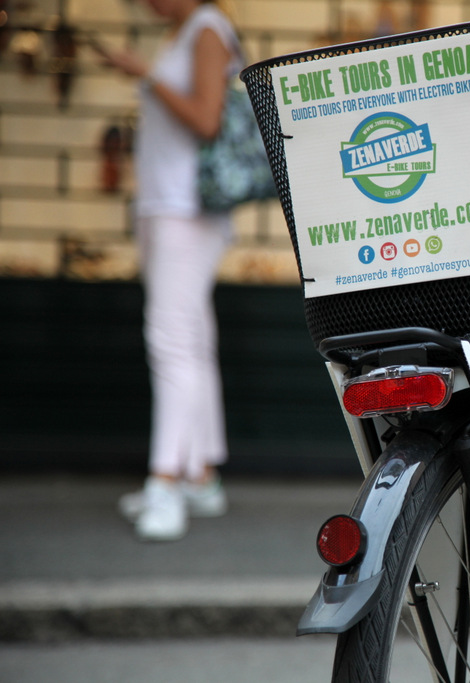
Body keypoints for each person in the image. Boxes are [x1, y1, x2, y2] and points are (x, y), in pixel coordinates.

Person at [103, 0, 241, 541]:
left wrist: (145, 76)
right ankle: (199, 477)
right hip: (166, 208)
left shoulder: (208, 28)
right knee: (192, 338)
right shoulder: (185, 31)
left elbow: (207, 119)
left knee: (170, 341)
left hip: (187, 209)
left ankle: (166, 485)